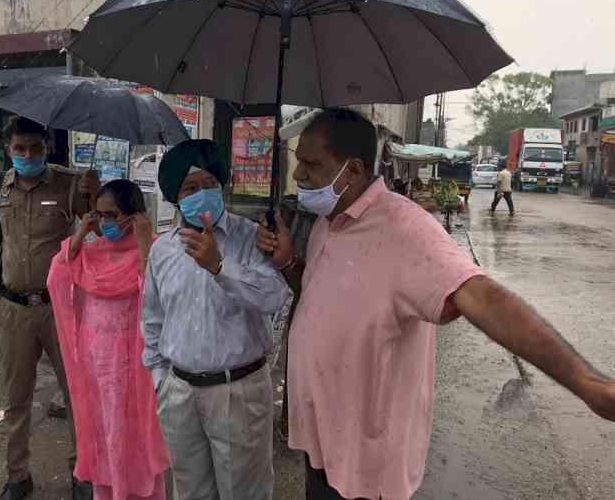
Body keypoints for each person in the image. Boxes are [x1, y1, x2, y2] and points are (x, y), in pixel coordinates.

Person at [256, 109, 615, 500]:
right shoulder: (330, 221)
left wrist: (585, 382)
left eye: (311, 165)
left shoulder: (404, 228)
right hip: (322, 441)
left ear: (354, 170)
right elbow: (318, 296)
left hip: (366, 461)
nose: (298, 176)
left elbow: (481, 295)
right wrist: (288, 262)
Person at [141, 139, 289, 500]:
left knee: (245, 493)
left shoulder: (254, 236)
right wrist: (161, 378)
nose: (202, 193)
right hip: (179, 393)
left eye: (209, 184)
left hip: (237, 392)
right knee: (190, 491)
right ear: (175, 197)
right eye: (190, 188)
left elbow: (274, 296)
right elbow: (153, 319)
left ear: (222, 184)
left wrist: (218, 266)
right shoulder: (162, 250)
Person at [0, 116, 99, 500]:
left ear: (47, 147)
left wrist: (96, 195)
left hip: (61, 305)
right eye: (19, 149)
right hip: (13, 308)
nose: (27, 155)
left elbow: (97, 223)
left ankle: (83, 472)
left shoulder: (70, 183)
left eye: (35, 148)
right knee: (16, 397)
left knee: (77, 393)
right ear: (8, 149)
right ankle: (17, 476)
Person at [47, 180, 170, 500]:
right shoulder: (90, 252)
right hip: (96, 368)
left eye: (112, 215)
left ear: (134, 216)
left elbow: (157, 300)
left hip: (136, 369)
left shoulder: (157, 250)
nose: (105, 223)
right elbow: (57, 278)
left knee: (134, 435)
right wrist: (78, 235)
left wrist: (144, 246)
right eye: (99, 215)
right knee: (104, 436)